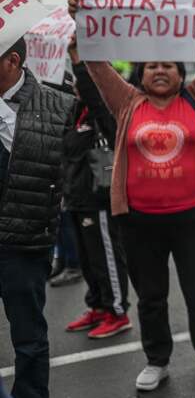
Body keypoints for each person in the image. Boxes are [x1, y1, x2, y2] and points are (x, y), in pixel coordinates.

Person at [68, 0, 195, 393]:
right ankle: (157, 359)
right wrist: (85, 21)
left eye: (167, 65)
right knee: (150, 295)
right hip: (139, 221)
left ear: (180, 71)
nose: (159, 70)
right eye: (152, 64)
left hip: (194, 217)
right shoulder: (127, 102)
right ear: (141, 71)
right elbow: (98, 67)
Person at [0, 36, 73, 398]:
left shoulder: (54, 103)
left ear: (12, 60)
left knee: (27, 337)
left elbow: (46, 161)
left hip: (23, 243)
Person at [62, 34, 132, 339]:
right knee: (89, 260)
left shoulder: (107, 113)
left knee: (106, 257)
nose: (78, 85)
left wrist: (80, 59)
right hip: (77, 199)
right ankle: (99, 306)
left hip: (99, 199)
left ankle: (117, 310)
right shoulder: (76, 112)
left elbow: (92, 92)